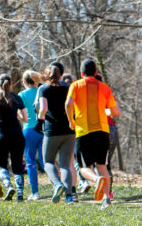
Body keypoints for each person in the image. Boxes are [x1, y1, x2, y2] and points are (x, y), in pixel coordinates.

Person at [65, 59, 121, 208]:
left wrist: (71, 121)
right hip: (103, 131)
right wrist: (104, 110)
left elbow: (68, 104)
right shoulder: (104, 87)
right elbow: (116, 112)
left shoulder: (75, 85)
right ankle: (107, 200)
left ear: (82, 73)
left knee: (84, 168)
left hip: (84, 132)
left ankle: (96, 180)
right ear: (95, 72)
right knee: (102, 166)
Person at [37, 62, 77, 203]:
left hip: (52, 130)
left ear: (47, 75)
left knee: (48, 161)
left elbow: (43, 108)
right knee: (65, 164)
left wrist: (40, 116)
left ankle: (57, 184)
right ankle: (69, 197)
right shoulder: (67, 87)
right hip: (69, 130)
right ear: (60, 75)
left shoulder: (44, 89)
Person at [0, 74, 28, 201]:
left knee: (1, 164)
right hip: (17, 135)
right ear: (11, 84)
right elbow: (25, 118)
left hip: (2, 135)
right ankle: (20, 193)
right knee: (17, 165)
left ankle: (8, 185)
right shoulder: (17, 98)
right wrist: (18, 117)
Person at [19, 71, 44, 200]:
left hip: (29, 130)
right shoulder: (42, 91)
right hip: (43, 129)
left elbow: (21, 115)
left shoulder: (22, 94)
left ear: (24, 82)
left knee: (30, 162)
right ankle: (58, 184)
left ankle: (35, 192)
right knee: (46, 161)